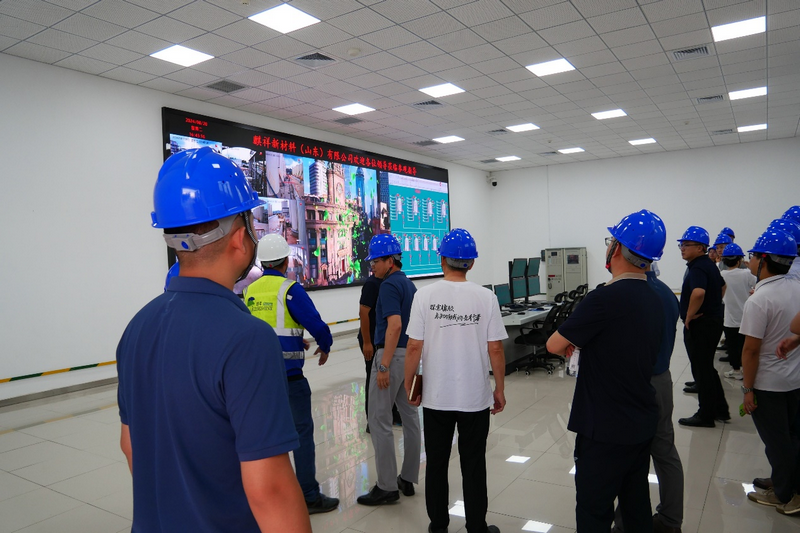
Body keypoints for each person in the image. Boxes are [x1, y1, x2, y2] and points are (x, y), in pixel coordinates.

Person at [117, 147, 311, 532]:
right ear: (240, 237)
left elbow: (130, 445)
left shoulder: (137, 328)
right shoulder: (247, 339)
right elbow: (269, 489)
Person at [546, 209, 666, 533]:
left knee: (594, 511)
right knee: (636, 505)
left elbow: (554, 345)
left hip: (604, 427)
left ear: (617, 249)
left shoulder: (603, 298)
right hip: (640, 419)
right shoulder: (657, 298)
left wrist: (578, 341)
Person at [404, 228, 507, 533]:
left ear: (441, 260)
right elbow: (496, 348)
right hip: (475, 398)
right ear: (471, 263)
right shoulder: (486, 297)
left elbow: (413, 346)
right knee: (473, 464)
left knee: (436, 464)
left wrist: (410, 385)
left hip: (437, 397)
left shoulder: (424, 296)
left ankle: (438, 526)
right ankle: (476, 526)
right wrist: (499, 389)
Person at [243, 234, 338, 515]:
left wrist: (296, 340)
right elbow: (317, 325)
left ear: (263, 263)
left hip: (259, 380)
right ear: (286, 261)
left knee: (265, 439)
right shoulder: (290, 289)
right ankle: (308, 495)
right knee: (301, 435)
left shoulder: (249, 291)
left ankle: (266, 495)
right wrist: (325, 345)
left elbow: (259, 330)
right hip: (289, 379)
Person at [613, 258, 683, 533]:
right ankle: (671, 519)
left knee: (629, 456)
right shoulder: (666, 293)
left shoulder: (630, 296)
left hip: (636, 385)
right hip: (662, 379)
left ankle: (625, 525)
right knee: (665, 451)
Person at [357, 234, 421, 506]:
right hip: (409, 357)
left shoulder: (388, 286)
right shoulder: (410, 285)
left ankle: (386, 486)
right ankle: (407, 478)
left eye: (376, 261)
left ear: (391, 261)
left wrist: (382, 364)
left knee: (379, 420)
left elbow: (394, 325)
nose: (372, 266)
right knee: (410, 417)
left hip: (391, 356)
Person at [740, 230, 800, 514]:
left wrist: (747, 389)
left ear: (764, 260)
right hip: (794, 378)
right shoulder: (797, 287)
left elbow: (751, 351)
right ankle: (784, 481)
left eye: (752, 256)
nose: (749, 261)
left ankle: (784, 494)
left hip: (768, 384)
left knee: (777, 443)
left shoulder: (759, 300)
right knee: (792, 437)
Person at [676, 225, 729, 427]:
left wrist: (689, 316)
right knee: (707, 368)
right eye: (681, 245)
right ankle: (720, 409)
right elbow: (722, 285)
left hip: (702, 325)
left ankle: (706, 415)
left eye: (686, 245)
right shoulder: (708, 264)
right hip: (712, 321)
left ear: (700, 248)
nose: (682, 248)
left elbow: (698, 293)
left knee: (702, 370)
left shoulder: (698, 267)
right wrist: (713, 305)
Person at [358, 269, 401, 433]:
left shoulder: (390, 282)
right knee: (373, 378)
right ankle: (372, 420)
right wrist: (367, 342)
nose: (374, 266)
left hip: (385, 340)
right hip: (372, 340)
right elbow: (363, 313)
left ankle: (393, 414)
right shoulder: (372, 284)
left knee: (390, 377)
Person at [720, 244, 757, 381]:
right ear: (739, 260)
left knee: (733, 347)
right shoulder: (747, 274)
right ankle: (746, 370)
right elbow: (758, 284)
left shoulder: (721, 275)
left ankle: (736, 370)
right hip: (746, 318)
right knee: (745, 347)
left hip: (729, 319)